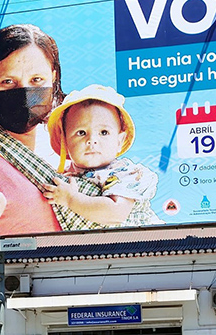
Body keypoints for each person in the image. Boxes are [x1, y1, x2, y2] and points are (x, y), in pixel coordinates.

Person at [0, 23, 75, 238]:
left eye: (37, 80)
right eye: (8, 81)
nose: (25, 93)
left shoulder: (72, 142)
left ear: (53, 79)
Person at [42, 84, 162, 229]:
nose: (92, 140)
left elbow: (116, 214)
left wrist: (70, 199)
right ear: (65, 141)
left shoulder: (125, 173)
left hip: (149, 243)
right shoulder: (63, 176)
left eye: (104, 132)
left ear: (120, 141)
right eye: (81, 132)